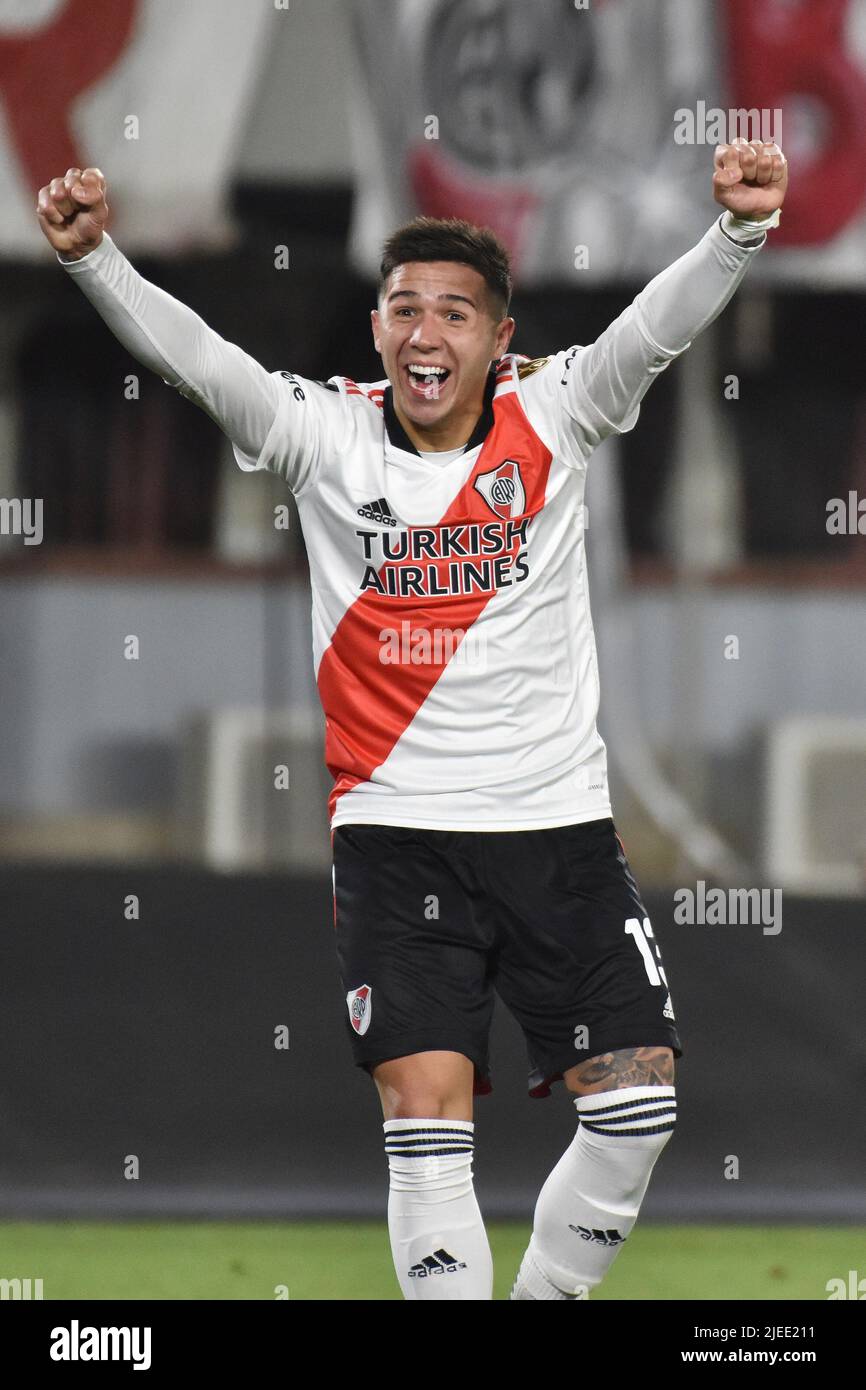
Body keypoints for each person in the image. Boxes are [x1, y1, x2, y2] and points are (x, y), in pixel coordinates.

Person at [37, 137, 787, 1300]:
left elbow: (652, 327)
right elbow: (202, 360)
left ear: (498, 339)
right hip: (396, 835)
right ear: (379, 330)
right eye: (401, 309)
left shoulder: (559, 409)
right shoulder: (321, 433)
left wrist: (734, 232)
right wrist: (96, 261)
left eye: (452, 311)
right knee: (425, 1116)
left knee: (636, 1110)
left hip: (558, 832)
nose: (423, 331)